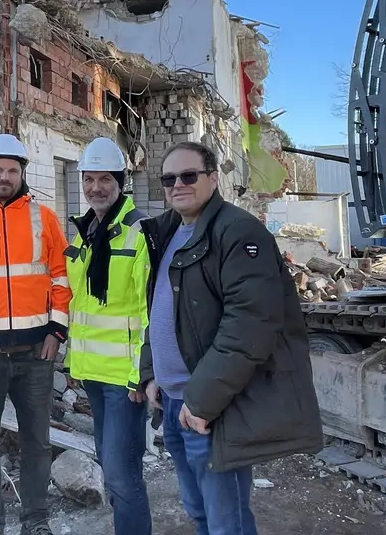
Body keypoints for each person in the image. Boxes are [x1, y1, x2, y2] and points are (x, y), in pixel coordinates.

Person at [139, 141, 321, 535]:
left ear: (212, 179)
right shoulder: (170, 231)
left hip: (210, 409)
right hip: (175, 402)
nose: (178, 185)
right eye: (169, 179)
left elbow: (251, 324)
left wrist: (202, 402)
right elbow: (162, 311)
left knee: (227, 522)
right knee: (200, 512)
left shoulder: (237, 232)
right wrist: (152, 371)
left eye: (189, 176)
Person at [0, 133, 71, 535]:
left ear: (23, 174)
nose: (4, 177)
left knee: (37, 443)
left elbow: (60, 277)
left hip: (35, 353)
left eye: (12, 170)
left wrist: (57, 329)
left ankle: (36, 522)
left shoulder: (45, 219)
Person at [63, 137, 152, 535]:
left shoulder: (137, 233)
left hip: (124, 379)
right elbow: (83, 303)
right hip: (95, 375)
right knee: (111, 465)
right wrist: (74, 363)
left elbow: (149, 311)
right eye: (89, 179)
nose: (96, 187)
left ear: (120, 182)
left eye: (105, 179)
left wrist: (142, 374)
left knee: (121, 474)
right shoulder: (87, 232)